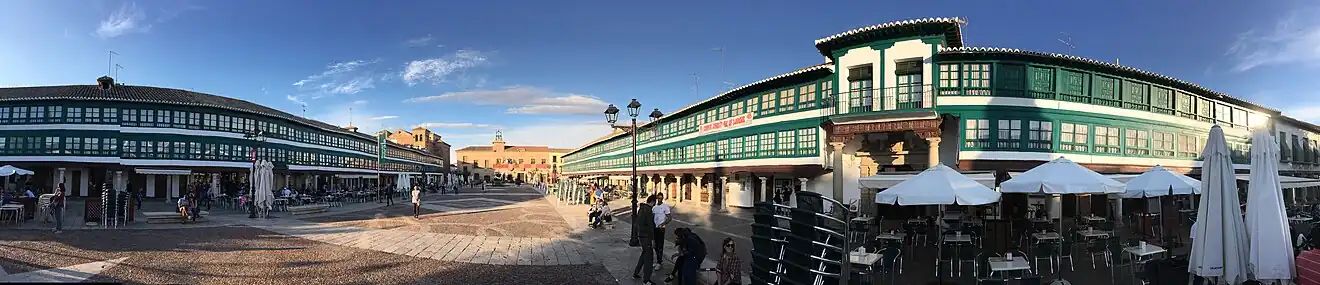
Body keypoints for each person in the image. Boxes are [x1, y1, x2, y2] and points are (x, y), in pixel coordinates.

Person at [632, 195, 658, 285]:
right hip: (647, 237)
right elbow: (650, 227)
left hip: (641, 236)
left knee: (644, 254)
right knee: (648, 258)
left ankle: (636, 273)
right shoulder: (648, 210)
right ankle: (646, 280)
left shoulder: (641, 208)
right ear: (653, 202)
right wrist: (653, 239)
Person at [652, 193, 674, 270]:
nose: (660, 200)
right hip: (654, 228)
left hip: (661, 228)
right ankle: (658, 260)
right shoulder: (654, 207)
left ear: (663, 198)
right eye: (658, 198)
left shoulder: (665, 207)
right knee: (655, 245)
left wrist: (663, 224)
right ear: (657, 198)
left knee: (660, 245)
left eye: (661, 198)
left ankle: (659, 262)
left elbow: (669, 218)